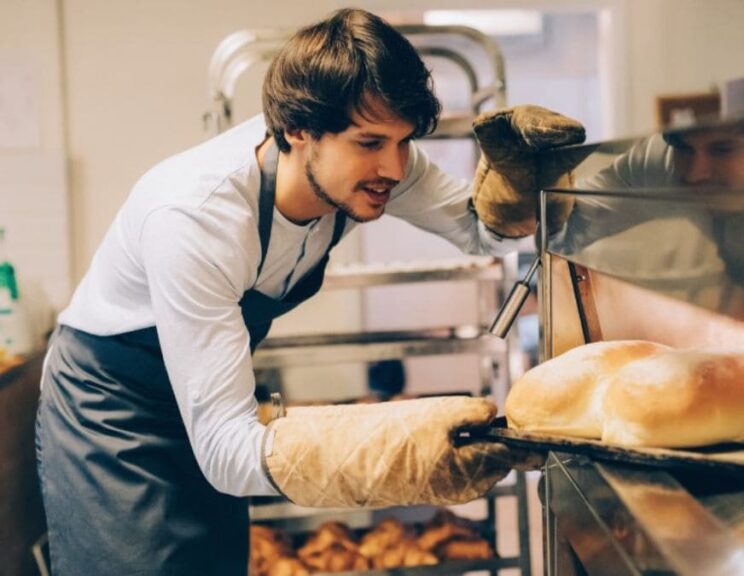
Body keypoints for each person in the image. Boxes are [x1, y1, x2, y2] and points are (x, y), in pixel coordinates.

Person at [35, 9, 580, 576]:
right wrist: (395, 452)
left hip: (205, 404)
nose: (393, 168)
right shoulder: (197, 219)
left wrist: (515, 184)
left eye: (403, 142)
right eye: (370, 143)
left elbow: (480, 232)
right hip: (114, 408)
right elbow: (225, 450)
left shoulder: (376, 166)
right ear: (298, 130)